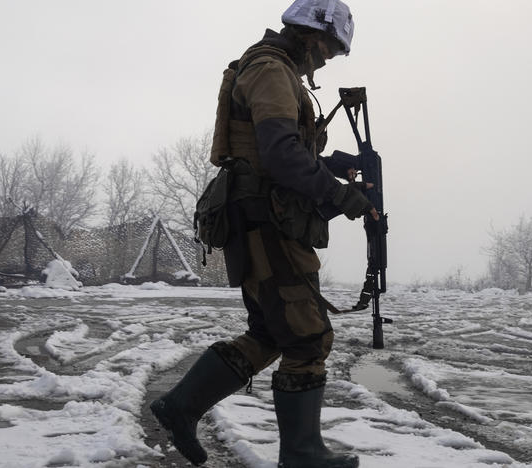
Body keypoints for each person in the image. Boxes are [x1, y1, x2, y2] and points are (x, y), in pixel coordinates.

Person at [150, 1, 377, 467]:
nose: (326, 60)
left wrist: (334, 164)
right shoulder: (272, 69)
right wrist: (337, 194)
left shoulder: (273, 68)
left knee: (273, 332)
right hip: (267, 224)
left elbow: (279, 148)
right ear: (310, 35)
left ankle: (181, 407)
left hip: (262, 220)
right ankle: (302, 456)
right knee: (308, 339)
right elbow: (278, 155)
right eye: (328, 51)